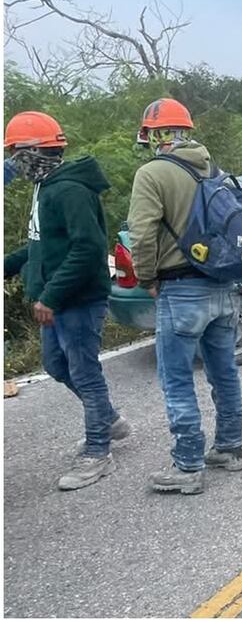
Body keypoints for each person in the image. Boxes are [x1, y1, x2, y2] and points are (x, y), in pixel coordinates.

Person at [3, 111, 128, 490]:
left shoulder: (69, 190)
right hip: (56, 299)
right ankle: (109, 420)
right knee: (57, 366)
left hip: (78, 300)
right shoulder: (47, 186)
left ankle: (98, 453)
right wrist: (8, 265)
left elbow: (88, 249)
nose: (13, 164)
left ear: (34, 152)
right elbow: (44, 244)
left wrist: (52, 296)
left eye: (15, 154)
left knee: (85, 374)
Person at [127, 98, 242, 495]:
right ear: (187, 132)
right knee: (224, 371)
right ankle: (230, 448)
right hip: (223, 284)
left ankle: (188, 465)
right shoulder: (217, 170)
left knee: (176, 379)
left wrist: (147, 279)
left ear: (155, 135)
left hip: (180, 288)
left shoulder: (152, 173)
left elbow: (142, 234)